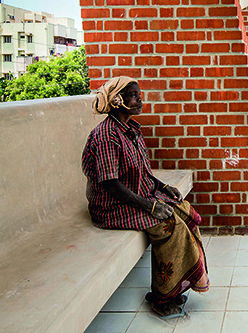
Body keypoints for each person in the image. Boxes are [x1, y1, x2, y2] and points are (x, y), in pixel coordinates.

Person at [81, 76, 209, 318]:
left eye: (139, 94)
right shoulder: (107, 136)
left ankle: (172, 286)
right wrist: (151, 207)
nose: (140, 99)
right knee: (170, 226)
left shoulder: (131, 130)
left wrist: (163, 186)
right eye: (133, 95)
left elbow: (142, 171)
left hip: (135, 196)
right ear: (117, 101)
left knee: (184, 210)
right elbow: (110, 184)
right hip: (112, 207)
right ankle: (163, 298)